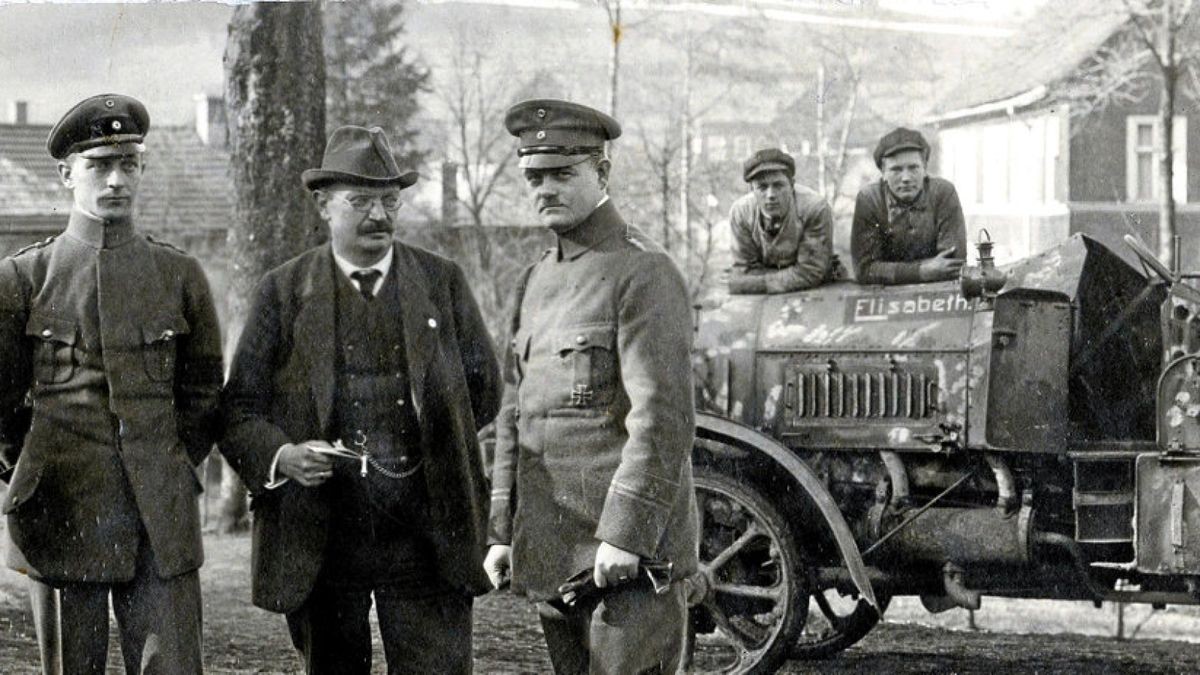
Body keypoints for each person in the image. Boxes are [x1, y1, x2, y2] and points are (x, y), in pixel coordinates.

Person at [219, 125, 501, 674]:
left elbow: (483, 392)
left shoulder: (442, 283)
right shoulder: (283, 292)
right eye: (361, 201)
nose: (379, 216)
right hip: (321, 539)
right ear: (324, 206)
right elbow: (238, 409)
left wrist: (430, 450)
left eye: (389, 201)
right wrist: (283, 457)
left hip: (425, 536)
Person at [0, 94, 223, 673]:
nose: (116, 180)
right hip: (59, 514)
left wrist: (168, 463)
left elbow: (202, 395)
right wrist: (33, 465)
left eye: (129, 164)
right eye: (99, 165)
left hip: (159, 519)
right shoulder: (24, 278)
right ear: (66, 174)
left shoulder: (179, 275)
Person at [482, 99, 699, 675]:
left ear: (602, 173)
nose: (545, 188)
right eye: (534, 176)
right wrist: (502, 532)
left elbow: (662, 417)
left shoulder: (644, 273)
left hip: (626, 563)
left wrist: (625, 536)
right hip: (553, 551)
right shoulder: (534, 281)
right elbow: (516, 415)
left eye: (562, 173)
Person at [850, 127, 968, 285]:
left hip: (938, 295)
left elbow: (952, 264)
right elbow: (865, 270)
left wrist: (891, 271)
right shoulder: (870, 199)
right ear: (883, 173)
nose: (905, 178)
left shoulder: (943, 193)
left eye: (913, 168)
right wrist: (921, 271)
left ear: (925, 168)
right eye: (896, 170)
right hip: (884, 298)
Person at [727, 147, 837, 293]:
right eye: (762, 187)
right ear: (751, 190)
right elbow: (743, 271)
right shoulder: (741, 213)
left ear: (791, 185)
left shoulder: (814, 208)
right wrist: (746, 282)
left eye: (778, 185)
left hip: (817, 288)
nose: (771, 195)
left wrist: (755, 284)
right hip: (765, 294)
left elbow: (810, 271)